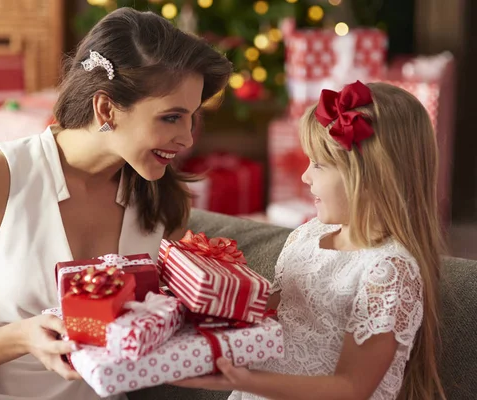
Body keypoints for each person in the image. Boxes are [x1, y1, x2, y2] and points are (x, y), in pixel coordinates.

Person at [0, 7, 231, 399]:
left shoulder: (166, 200)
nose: (187, 138)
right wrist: (23, 337)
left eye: (192, 118)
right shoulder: (0, 176)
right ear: (106, 108)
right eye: (171, 118)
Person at [173, 81, 446, 400]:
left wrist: (243, 380)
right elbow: (273, 310)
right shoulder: (308, 234)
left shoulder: (389, 270)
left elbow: (351, 388)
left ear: (370, 176)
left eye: (318, 164)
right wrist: (208, 292)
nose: (304, 177)